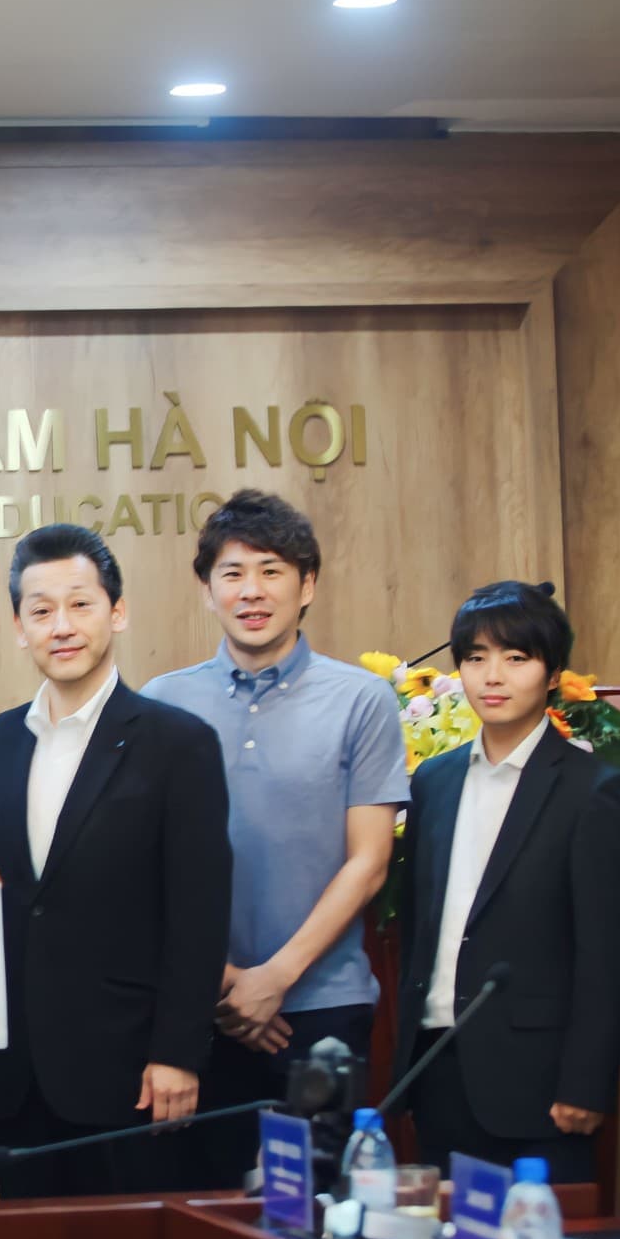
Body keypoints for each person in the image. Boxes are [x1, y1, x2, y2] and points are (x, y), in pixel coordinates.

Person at [0, 525, 231, 1198]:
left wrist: (177, 1053)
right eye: (41, 610)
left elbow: (198, 913)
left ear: (117, 611)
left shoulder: (178, 744)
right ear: (19, 627)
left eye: (80, 604)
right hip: (18, 1077)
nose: (62, 626)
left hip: (133, 1074)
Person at [143, 490, 408, 1191]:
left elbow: (369, 861)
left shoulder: (362, 699)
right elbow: (145, 869)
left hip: (323, 1008)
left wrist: (275, 978)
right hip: (199, 1010)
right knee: (201, 1217)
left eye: (271, 571)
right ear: (207, 590)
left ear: (307, 584)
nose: (251, 591)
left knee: (317, 1216)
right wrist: (230, 984)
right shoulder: (162, 703)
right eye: (232, 573)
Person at [391, 583, 620, 1185]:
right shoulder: (434, 781)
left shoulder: (593, 789)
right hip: (436, 1064)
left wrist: (586, 1082)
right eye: (475, 658)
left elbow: (604, 953)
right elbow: (421, 926)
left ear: (552, 675)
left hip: (541, 1084)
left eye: (516, 657)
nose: (492, 676)